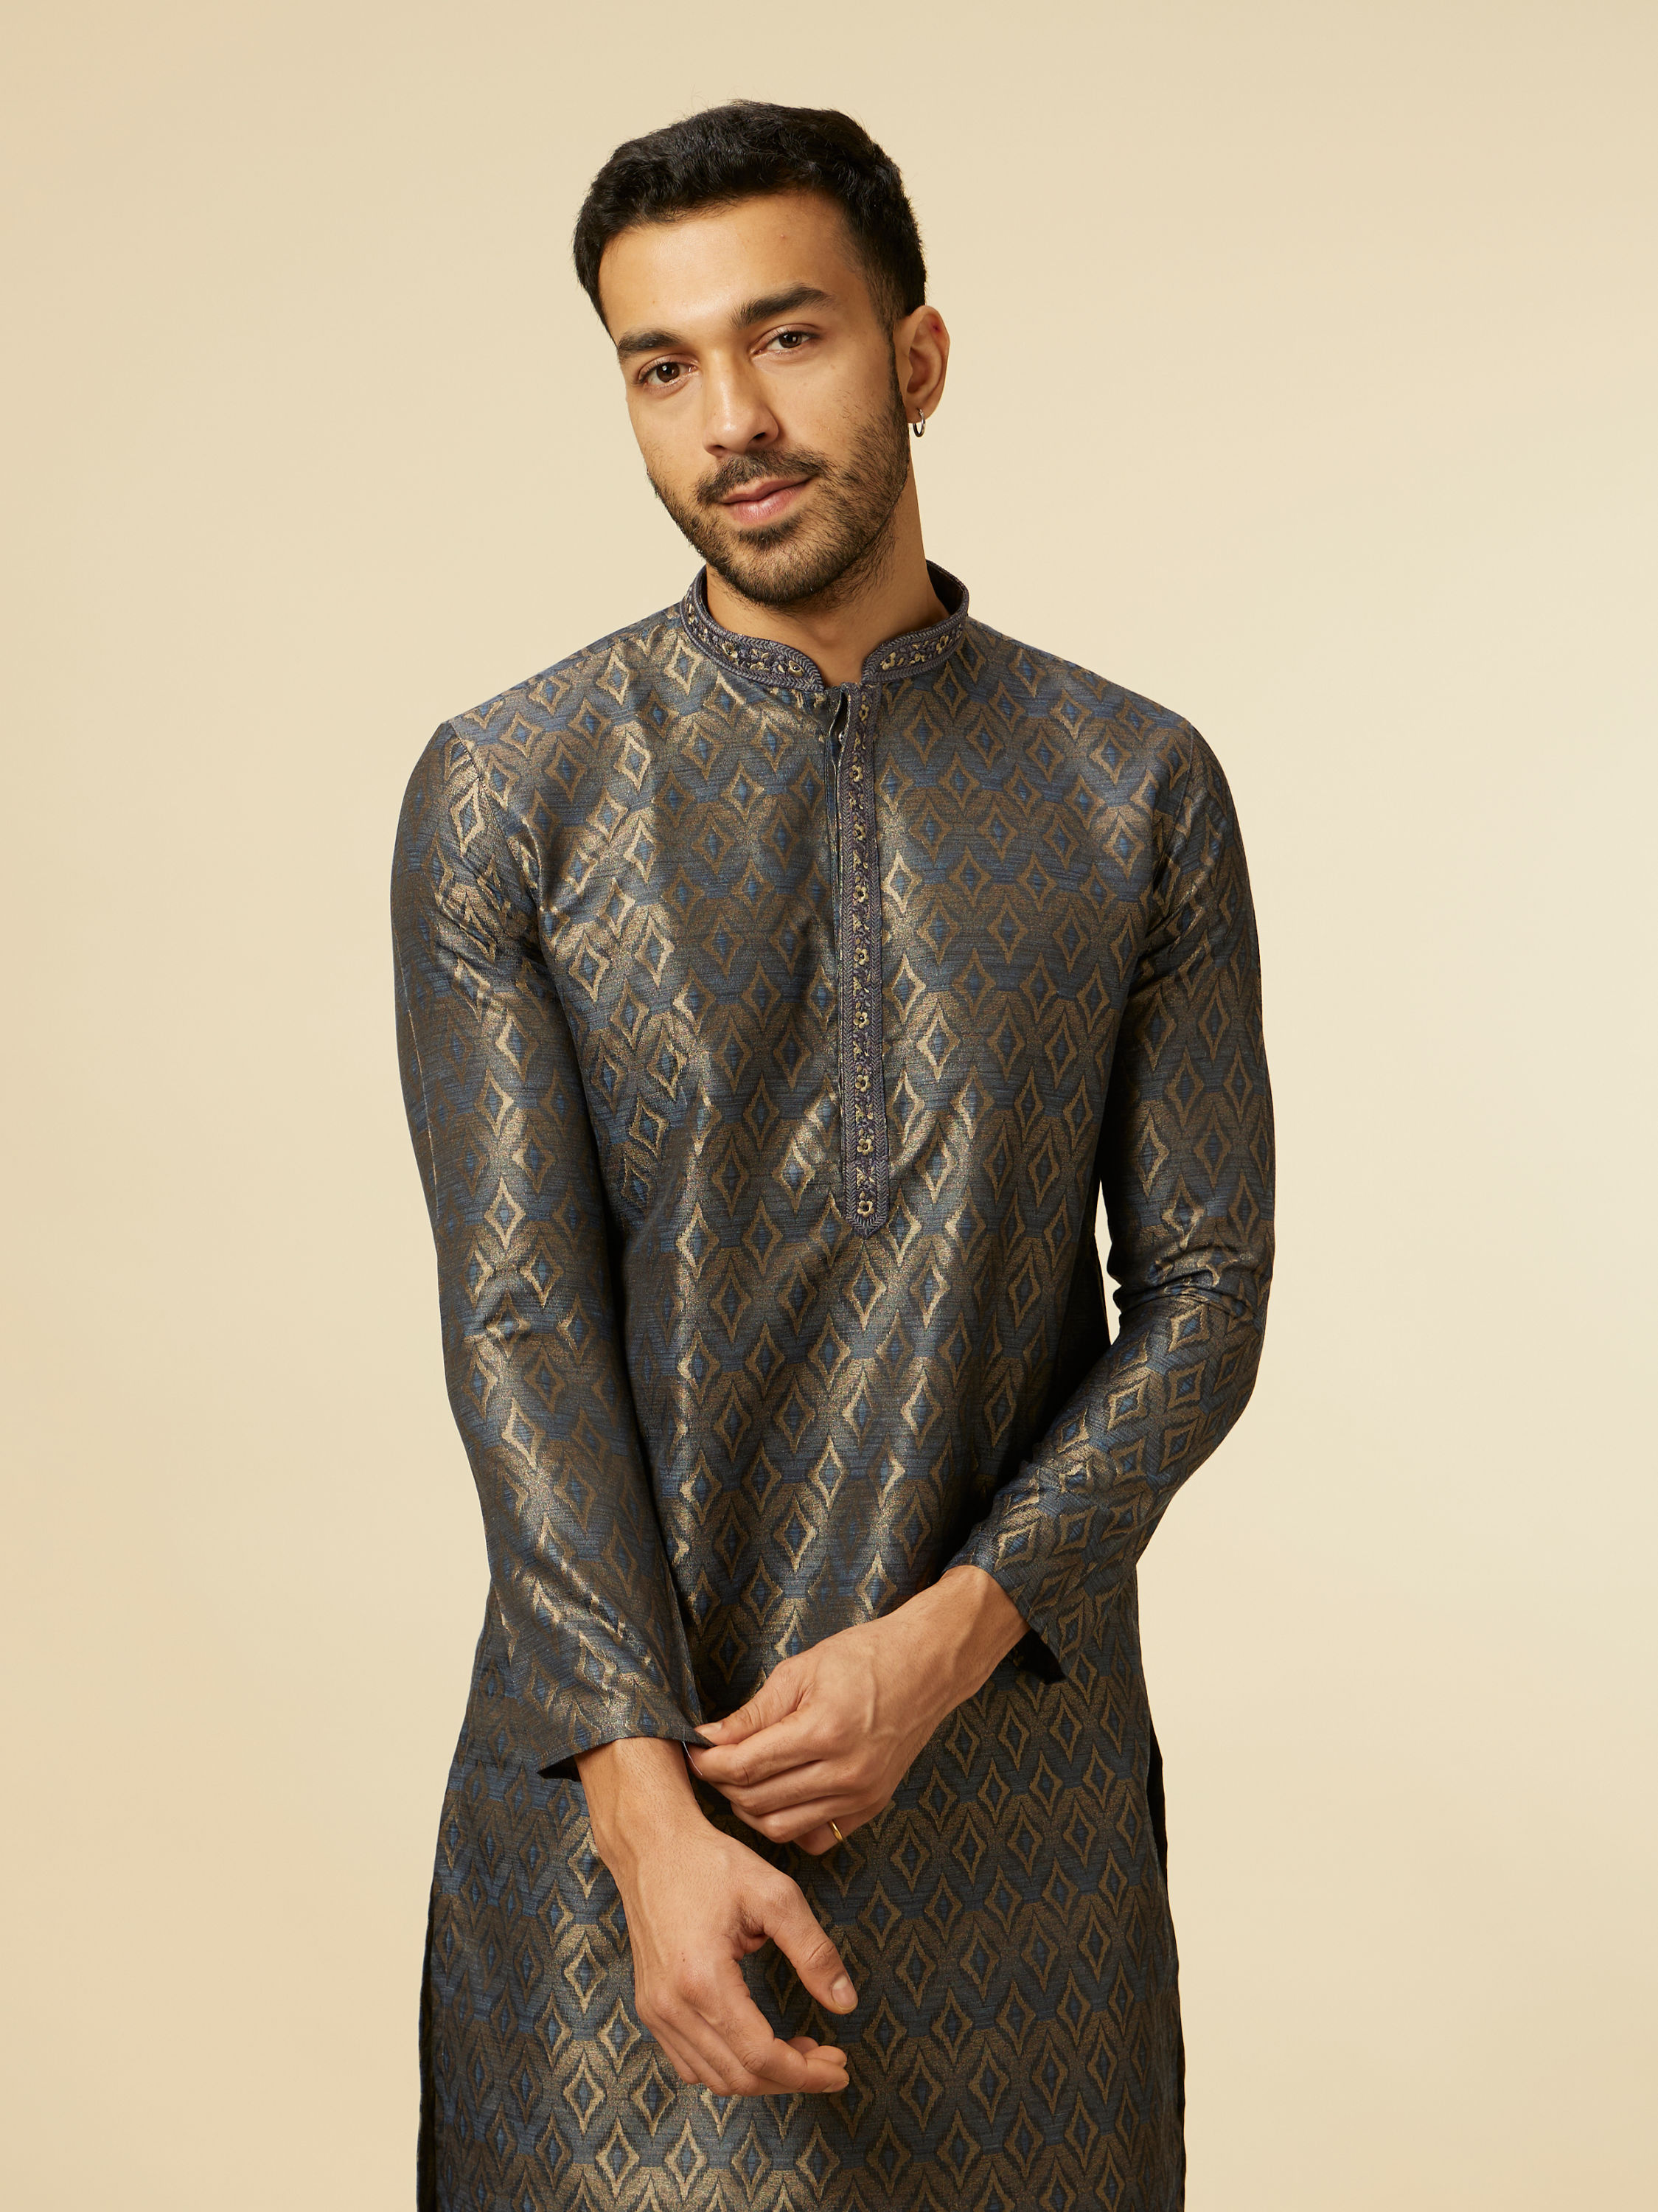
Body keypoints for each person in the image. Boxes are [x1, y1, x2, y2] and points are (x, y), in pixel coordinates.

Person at [391, 98, 1274, 2212]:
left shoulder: (1128, 788)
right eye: (661, 365)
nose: (732, 422)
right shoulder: (513, 794)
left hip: (1018, 1835)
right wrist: (645, 1814)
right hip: (628, 1828)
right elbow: (518, 1320)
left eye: (786, 337)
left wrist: (947, 1640)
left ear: (917, 355)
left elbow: (1205, 1293)